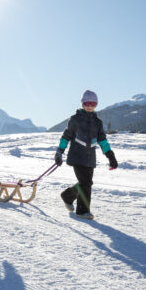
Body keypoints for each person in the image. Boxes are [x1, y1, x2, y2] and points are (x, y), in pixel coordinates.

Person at [54, 90, 118, 220]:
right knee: (86, 183)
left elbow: (103, 140)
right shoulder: (75, 119)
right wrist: (60, 151)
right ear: (82, 103)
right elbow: (66, 136)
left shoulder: (97, 122)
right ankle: (82, 211)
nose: (90, 106)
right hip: (77, 156)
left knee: (85, 183)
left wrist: (111, 156)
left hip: (90, 158)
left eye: (93, 103)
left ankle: (67, 196)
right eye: (87, 103)